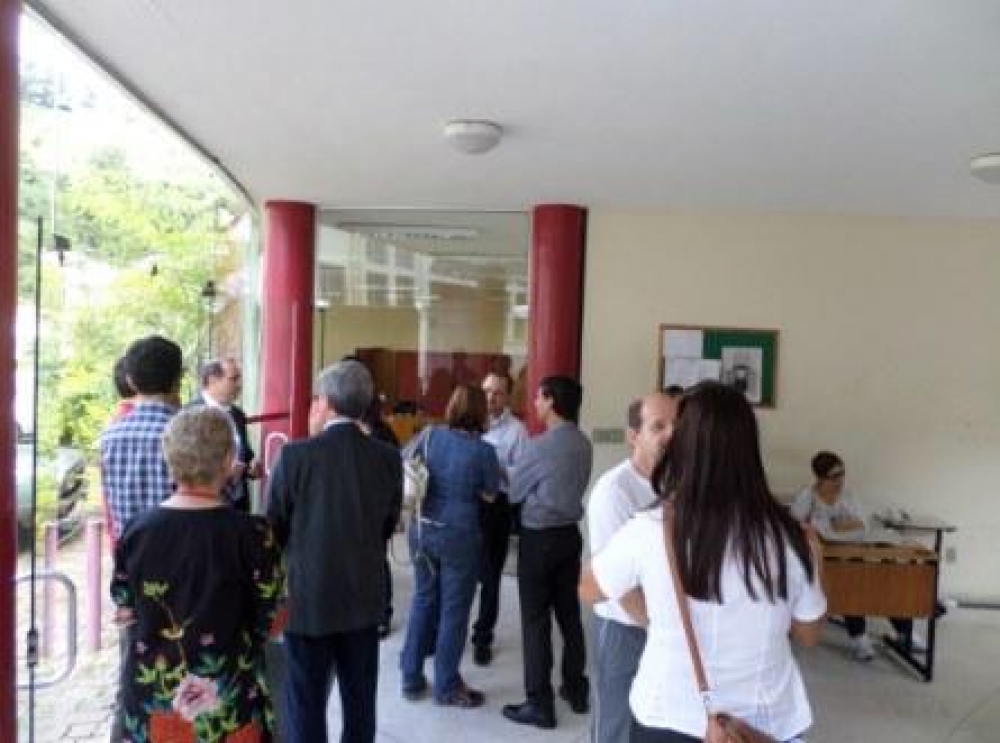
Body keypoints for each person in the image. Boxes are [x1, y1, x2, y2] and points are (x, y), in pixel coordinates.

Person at [580, 381, 826, 743]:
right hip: (765, 719)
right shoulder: (791, 537)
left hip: (668, 711)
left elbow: (590, 588)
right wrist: (816, 563)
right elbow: (808, 634)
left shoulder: (650, 530)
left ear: (684, 448)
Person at [111, 406, 282, 742]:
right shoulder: (254, 534)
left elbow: (125, 610)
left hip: (153, 697)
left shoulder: (137, 530)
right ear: (229, 460)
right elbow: (271, 620)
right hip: (228, 699)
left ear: (168, 458)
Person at [267, 360, 402, 743]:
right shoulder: (386, 457)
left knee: (305, 703)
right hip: (364, 596)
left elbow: (273, 528)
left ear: (324, 402)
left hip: (309, 599)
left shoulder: (294, 456)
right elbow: (388, 523)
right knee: (360, 703)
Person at [399, 384, 501, 708]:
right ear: (481, 413)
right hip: (459, 536)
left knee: (423, 600)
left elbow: (405, 461)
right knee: (454, 611)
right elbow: (490, 494)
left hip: (422, 529)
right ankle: (446, 686)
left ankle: (411, 677)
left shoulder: (430, 435)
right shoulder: (484, 452)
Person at [587, 391, 678, 743]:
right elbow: (621, 589)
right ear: (633, 436)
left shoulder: (678, 484)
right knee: (616, 723)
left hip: (664, 626)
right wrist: (664, 632)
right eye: (658, 426)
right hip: (626, 628)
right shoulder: (614, 492)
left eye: (676, 425)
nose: (671, 434)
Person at [503, 375, 593, 730]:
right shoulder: (583, 444)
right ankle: (575, 688)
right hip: (570, 536)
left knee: (535, 621)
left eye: (539, 397)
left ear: (552, 401)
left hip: (538, 538)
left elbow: (514, 492)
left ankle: (539, 704)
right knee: (569, 615)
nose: (535, 403)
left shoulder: (539, 446)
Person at [790, 450, 915, 661]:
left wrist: (831, 526)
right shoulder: (807, 497)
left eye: (842, 474)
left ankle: (904, 631)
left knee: (882, 584)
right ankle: (860, 638)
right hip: (825, 558)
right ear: (820, 478)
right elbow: (796, 526)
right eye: (834, 476)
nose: (840, 480)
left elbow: (861, 525)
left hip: (854, 551)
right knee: (849, 589)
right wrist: (835, 526)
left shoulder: (848, 494)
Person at [470, 371, 529, 666]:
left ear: (507, 397)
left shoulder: (517, 431)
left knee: (490, 577)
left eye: (498, 392)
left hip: (497, 508)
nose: (490, 397)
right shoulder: (467, 422)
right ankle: (443, 632)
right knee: (457, 573)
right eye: (486, 391)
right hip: (466, 504)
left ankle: (483, 636)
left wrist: (493, 466)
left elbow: (522, 477)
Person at [196, 357, 260, 512]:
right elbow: (186, 463)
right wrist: (223, 471)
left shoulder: (238, 414)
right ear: (212, 381)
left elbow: (245, 455)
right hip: (206, 504)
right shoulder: (191, 415)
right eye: (234, 379)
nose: (239, 385)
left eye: (239, 379)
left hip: (237, 506)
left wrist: (250, 467)